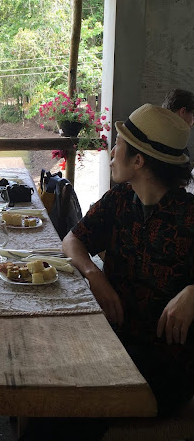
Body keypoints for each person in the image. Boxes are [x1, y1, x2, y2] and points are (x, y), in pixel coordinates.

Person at [63, 104, 194, 418]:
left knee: (74, 407)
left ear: (138, 160)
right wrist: (94, 273)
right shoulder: (119, 199)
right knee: (53, 384)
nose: (110, 152)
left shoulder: (189, 215)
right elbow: (72, 240)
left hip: (165, 367)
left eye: (118, 146)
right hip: (113, 343)